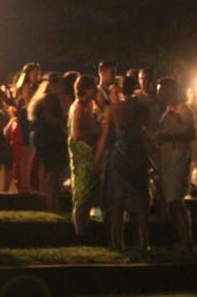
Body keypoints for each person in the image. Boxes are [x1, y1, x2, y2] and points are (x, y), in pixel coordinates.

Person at [94, 75, 153, 250]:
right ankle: (144, 240)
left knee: (118, 199)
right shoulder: (142, 109)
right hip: (138, 153)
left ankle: (118, 241)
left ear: (120, 89)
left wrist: (97, 160)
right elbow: (145, 131)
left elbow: (105, 137)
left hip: (120, 154)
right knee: (141, 197)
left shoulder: (114, 109)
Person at [156, 77, 197, 259]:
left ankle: (187, 244)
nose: (159, 94)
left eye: (161, 90)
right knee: (172, 202)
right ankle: (182, 242)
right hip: (168, 162)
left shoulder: (184, 110)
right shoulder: (166, 111)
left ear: (170, 91)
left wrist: (168, 138)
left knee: (176, 201)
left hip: (178, 161)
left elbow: (191, 133)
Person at [68, 74, 102, 239]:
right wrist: (97, 131)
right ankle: (79, 232)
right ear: (85, 89)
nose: (95, 90)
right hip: (82, 154)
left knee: (89, 192)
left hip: (89, 152)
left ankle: (84, 228)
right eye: (93, 87)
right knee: (81, 193)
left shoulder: (90, 106)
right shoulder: (78, 107)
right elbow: (76, 134)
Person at [29, 71, 67, 212]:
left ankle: (52, 202)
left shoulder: (43, 99)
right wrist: (63, 122)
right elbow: (52, 118)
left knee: (51, 171)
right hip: (51, 136)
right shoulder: (49, 99)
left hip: (45, 136)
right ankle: (52, 203)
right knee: (53, 172)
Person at [14, 62, 42, 192]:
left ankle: (25, 184)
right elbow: (29, 104)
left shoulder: (28, 87)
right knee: (28, 154)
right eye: (34, 74)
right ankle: (25, 185)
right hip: (28, 121)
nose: (37, 76)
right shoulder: (26, 87)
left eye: (38, 74)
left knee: (29, 155)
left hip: (28, 120)